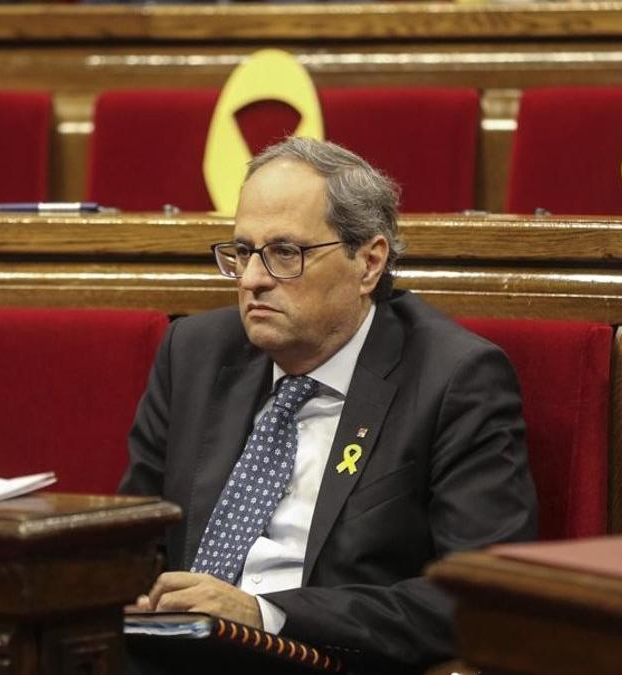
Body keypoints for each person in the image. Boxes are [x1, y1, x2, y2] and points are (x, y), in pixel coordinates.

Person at [120, 137, 537, 672]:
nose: (251, 280)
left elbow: (482, 599)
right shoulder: (194, 353)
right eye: (243, 252)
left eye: (284, 253)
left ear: (368, 262)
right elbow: (132, 541)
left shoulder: (455, 379)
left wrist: (263, 615)